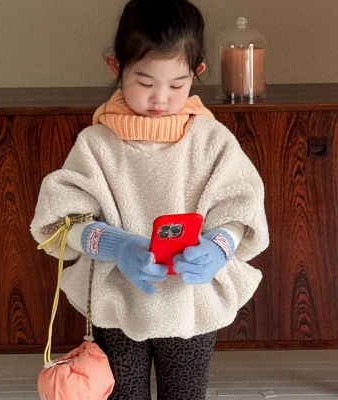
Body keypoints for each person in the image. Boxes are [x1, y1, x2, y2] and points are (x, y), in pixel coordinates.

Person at [31, 0, 269, 398]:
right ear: (115, 67)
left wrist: (218, 246)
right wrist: (117, 245)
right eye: (145, 83)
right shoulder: (96, 144)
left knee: (185, 393)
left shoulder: (212, 140)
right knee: (123, 394)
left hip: (190, 304)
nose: (160, 98)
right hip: (116, 304)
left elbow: (240, 209)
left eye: (177, 85)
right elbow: (59, 221)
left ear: (197, 73)